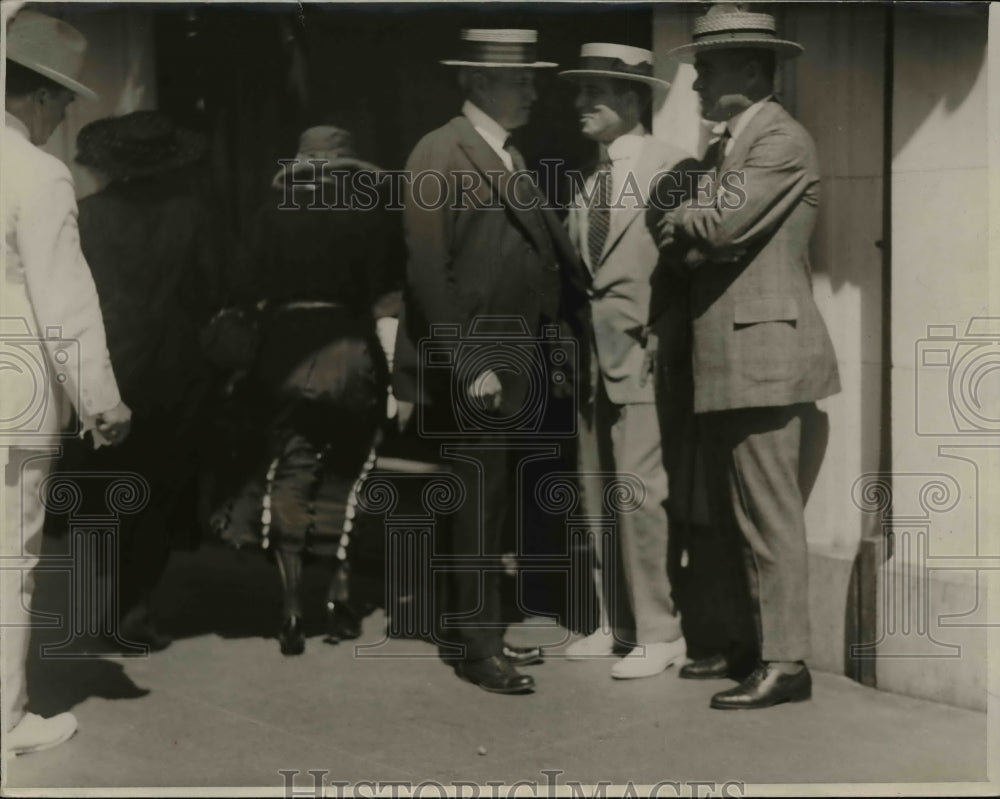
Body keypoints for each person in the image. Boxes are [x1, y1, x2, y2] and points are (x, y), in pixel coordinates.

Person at [392, 29, 588, 694]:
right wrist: (468, 359)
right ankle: (478, 647)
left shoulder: (505, 153)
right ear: (478, 84)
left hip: (517, 361)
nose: (534, 91)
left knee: (494, 500)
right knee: (478, 503)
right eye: (521, 80)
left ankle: (483, 630)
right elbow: (427, 270)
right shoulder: (439, 151)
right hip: (481, 363)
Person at [658, 3, 840, 709]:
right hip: (737, 358)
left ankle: (787, 662)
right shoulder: (730, 149)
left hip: (764, 355)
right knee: (736, 515)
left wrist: (684, 217)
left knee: (767, 516)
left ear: (753, 70)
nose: (698, 78)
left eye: (708, 65)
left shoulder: (780, 142)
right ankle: (750, 645)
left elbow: (717, 222)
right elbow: (709, 228)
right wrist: (695, 221)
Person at [210, 126, 398, 656]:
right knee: (348, 468)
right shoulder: (369, 215)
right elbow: (387, 293)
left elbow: (242, 289)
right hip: (351, 351)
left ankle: (291, 608)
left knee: (291, 468)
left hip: (284, 353)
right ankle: (339, 597)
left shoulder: (271, 215)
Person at [2, 9, 132, 755]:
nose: (66, 115)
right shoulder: (39, 174)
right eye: (64, 100)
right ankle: (6, 718)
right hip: (12, 404)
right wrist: (102, 401)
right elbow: (66, 303)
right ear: (41, 97)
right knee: (9, 564)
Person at [558, 43, 696, 680]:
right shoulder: (588, 180)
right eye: (581, 92)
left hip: (644, 360)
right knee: (597, 494)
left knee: (640, 494)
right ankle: (616, 624)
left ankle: (661, 631)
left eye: (598, 93)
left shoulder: (676, 168)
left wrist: (662, 343)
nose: (582, 104)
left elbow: (689, 272)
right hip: (592, 362)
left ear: (636, 100)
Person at [70, 110, 223, 650]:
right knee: (156, 489)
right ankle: (133, 607)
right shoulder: (192, 215)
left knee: (101, 485)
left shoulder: (86, 216)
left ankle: (95, 604)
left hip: (106, 363)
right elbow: (210, 291)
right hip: (173, 368)